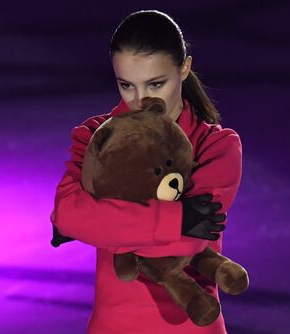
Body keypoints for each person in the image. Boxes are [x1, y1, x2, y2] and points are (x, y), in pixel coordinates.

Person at [51, 10, 242, 334]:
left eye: (156, 84)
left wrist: (103, 224)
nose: (140, 101)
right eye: (126, 85)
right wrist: (177, 219)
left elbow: (189, 243)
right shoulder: (96, 136)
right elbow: (67, 216)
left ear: (184, 68)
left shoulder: (217, 145)